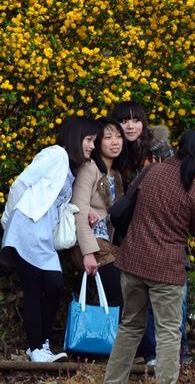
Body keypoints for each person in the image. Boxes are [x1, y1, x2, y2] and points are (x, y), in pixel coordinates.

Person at [104, 130, 195, 384]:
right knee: (168, 334)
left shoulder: (151, 172)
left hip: (133, 261)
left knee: (130, 326)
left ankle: (112, 381)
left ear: (179, 146)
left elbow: (127, 203)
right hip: (167, 269)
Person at [1, 116, 99, 362]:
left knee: (54, 286)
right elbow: (21, 184)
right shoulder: (56, 154)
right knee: (36, 289)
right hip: (27, 227)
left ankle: (39, 345)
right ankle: (37, 349)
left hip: (43, 235)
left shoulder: (70, 166)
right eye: (89, 140)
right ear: (76, 138)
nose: (92, 146)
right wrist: (7, 220)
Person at [70, 117, 126, 307]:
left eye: (118, 136)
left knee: (125, 297)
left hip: (106, 245)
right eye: (108, 137)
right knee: (121, 297)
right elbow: (78, 209)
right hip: (91, 245)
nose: (115, 141)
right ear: (98, 141)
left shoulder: (116, 175)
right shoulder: (89, 169)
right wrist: (88, 253)